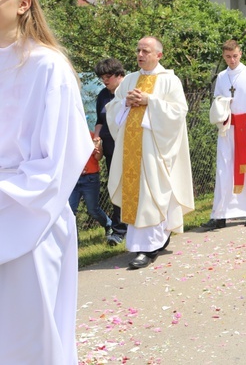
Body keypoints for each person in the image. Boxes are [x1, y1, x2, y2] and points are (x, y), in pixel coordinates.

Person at [0, 0, 92, 364]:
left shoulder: (47, 66)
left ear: (22, 3)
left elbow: (53, 165)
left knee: (29, 343)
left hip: (27, 221)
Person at [106, 36, 195, 269]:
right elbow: (112, 108)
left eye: (146, 51)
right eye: (138, 50)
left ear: (159, 55)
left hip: (155, 150)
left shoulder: (170, 81)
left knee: (153, 192)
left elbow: (179, 112)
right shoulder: (130, 80)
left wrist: (150, 101)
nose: (140, 55)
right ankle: (143, 243)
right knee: (137, 193)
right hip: (131, 150)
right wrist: (125, 103)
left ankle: (149, 247)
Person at [204, 39, 246, 230]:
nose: (232, 60)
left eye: (234, 56)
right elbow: (217, 101)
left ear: (240, 53)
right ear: (224, 56)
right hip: (228, 128)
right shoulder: (222, 76)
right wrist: (222, 109)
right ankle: (221, 214)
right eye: (227, 57)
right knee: (223, 170)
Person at [94, 57, 128, 245]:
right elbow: (100, 121)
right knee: (115, 186)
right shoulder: (102, 95)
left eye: (108, 76)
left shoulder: (128, 91)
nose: (105, 81)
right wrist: (96, 139)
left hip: (128, 145)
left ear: (119, 75)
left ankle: (137, 226)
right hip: (109, 147)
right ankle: (119, 230)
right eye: (102, 78)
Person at [68, 132, 113, 239]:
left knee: (93, 209)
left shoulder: (92, 136)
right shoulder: (66, 137)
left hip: (90, 179)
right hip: (73, 179)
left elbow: (98, 157)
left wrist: (98, 149)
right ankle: (74, 240)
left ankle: (108, 225)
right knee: (70, 210)